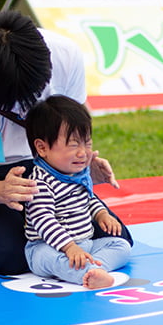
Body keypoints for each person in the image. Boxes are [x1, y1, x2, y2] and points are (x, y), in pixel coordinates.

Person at [0, 10, 133, 275]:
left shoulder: (65, 55)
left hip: (44, 165)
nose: (21, 108)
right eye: (10, 101)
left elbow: (74, 128)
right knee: (5, 257)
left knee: (115, 237)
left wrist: (80, 168)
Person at [23, 95, 131, 289]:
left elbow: (88, 200)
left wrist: (102, 214)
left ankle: (92, 269)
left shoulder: (78, 173)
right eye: (73, 145)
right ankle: (88, 271)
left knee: (121, 245)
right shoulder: (40, 181)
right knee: (48, 258)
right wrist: (69, 247)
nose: (83, 152)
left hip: (85, 243)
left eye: (87, 143)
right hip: (48, 247)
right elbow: (43, 221)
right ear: (42, 147)